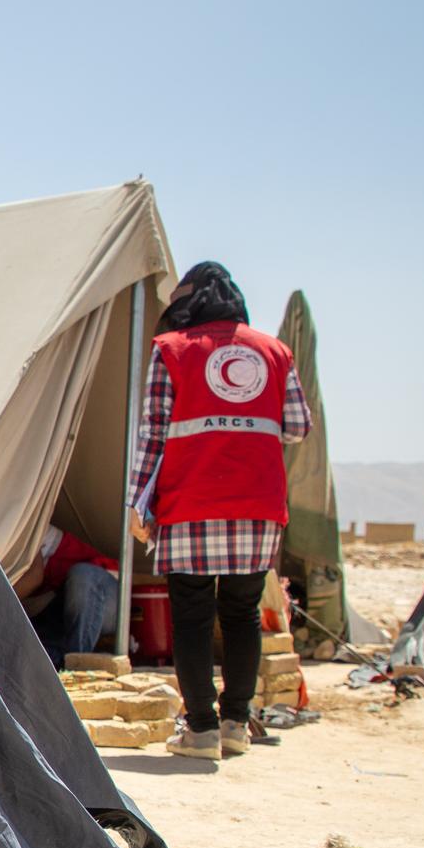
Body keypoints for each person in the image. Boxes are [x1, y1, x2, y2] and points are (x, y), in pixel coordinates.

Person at [126, 261, 311, 761]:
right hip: (258, 504)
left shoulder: (172, 351)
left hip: (191, 503)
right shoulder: (274, 351)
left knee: (190, 614)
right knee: (242, 613)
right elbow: (297, 427)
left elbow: (152, 435)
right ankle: (236, 724)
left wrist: (137, 502)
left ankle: (201, 731)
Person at [14, 522, 121, 664]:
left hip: (106, 599)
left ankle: (77, 664)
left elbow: (34, 577)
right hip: (57, 614)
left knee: (82, 574)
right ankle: (65, 664)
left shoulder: (23, 523)